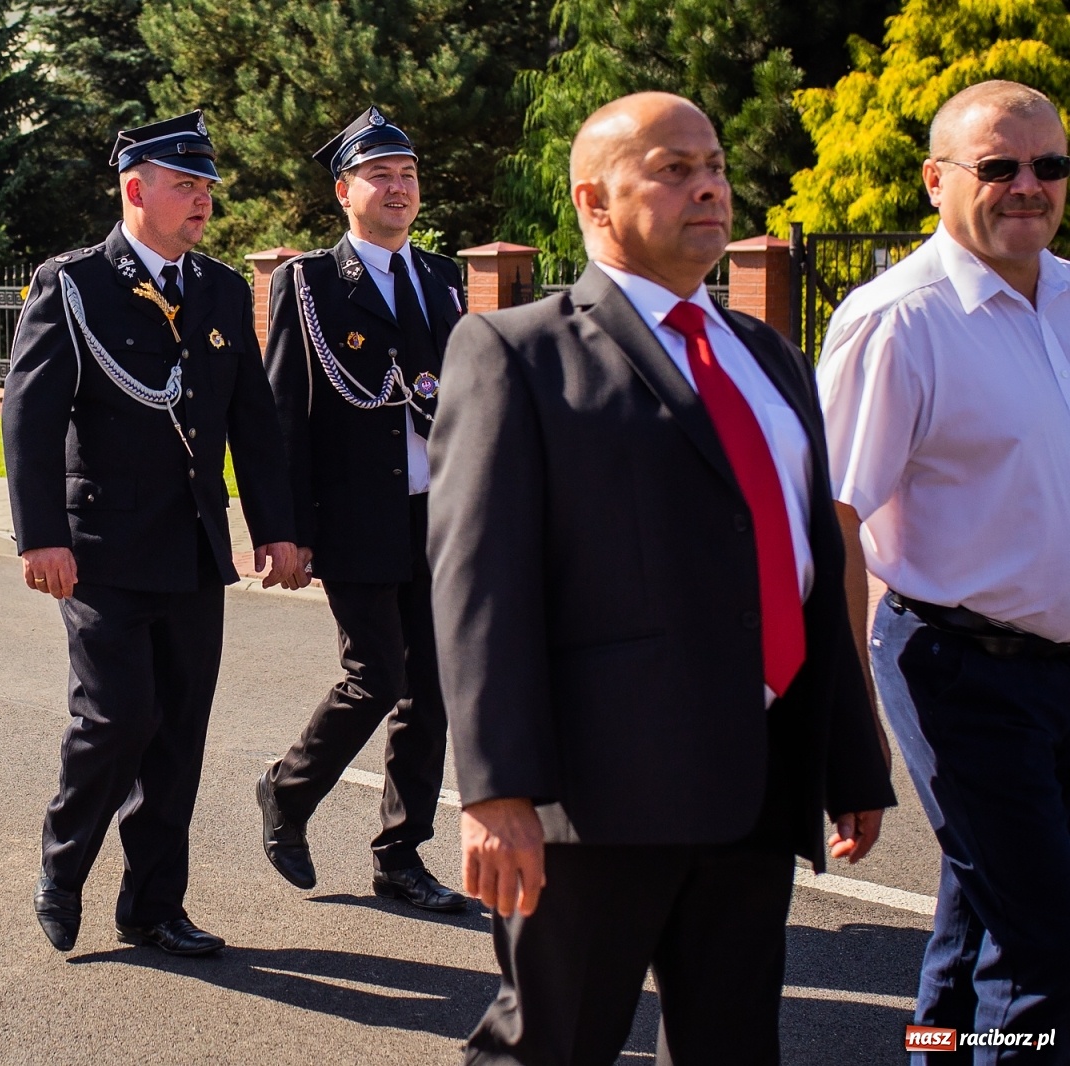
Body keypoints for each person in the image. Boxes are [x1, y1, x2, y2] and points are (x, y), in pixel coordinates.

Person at [427, 91, 895, 1065]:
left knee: (732, 1044)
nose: (710, 186)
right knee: (548, 1045)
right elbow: (479, 583)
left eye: (714, 164)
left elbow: (807, 560)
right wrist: (497, 789)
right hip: (599, 800)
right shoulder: (517, 352)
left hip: (755, 786)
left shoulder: (766, 353)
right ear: (594, 200)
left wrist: (851, 756)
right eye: (673, 169)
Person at [2, 110, 299, 958]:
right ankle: (63, 868)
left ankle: (153, 906)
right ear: (136, 190)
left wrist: (275, 527)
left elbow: (254, 419)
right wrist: (40, 536)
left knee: (178, 734)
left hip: (194, 548)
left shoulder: (219, 289)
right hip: (99, 552)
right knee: (116, 719)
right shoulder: (72, 285)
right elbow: (30, 420)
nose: (202, 199)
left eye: (206, 186)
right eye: (184, 184)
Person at [818, 80, 1070, 1063]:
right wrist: (846, 726)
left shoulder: (1067, 297)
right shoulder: (899, 320)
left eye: (1047, 166)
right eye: (997, 166)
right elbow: (833, 520)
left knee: (979, 920)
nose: (1027, 187)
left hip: (1056, 669)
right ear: (934, 180)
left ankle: (932, 1051)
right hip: (956, 668)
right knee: (1042, 938)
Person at [254, 106, 468, 912]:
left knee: (432, 692)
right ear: (345, 191)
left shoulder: (442, 277)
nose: (399, 188)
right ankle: (288, 789)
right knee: (375, 676)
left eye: (408, 175)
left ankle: (400, 855)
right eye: (381, 175)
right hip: (352, 517)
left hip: (435, 518)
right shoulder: (309, 282)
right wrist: (287, 530)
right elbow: (284, 413)